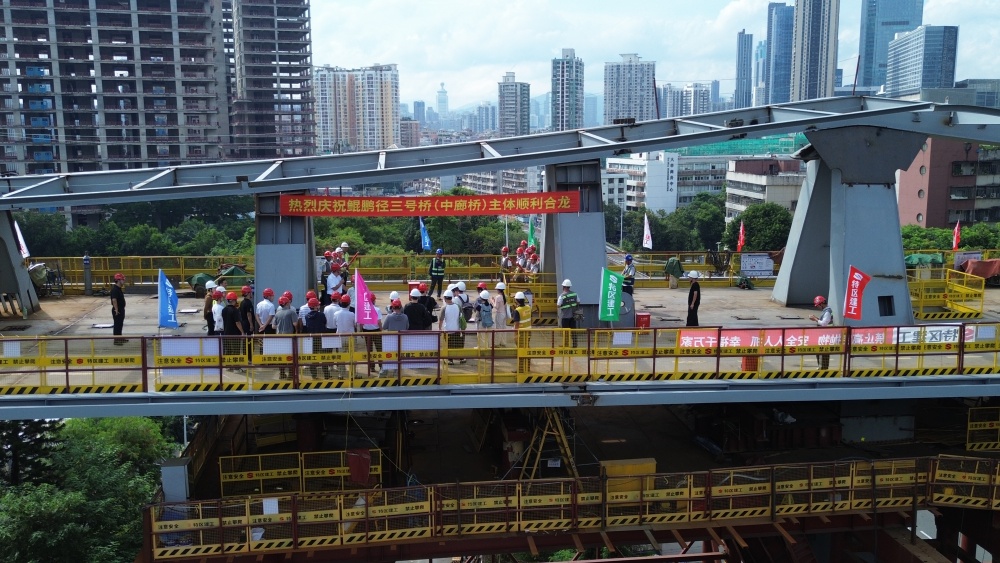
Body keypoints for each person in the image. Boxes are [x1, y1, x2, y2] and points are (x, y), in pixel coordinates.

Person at [302, 297, 331, 379]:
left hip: (312, 339)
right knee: (324, 357)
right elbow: (325, 322)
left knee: (313, 358)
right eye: (317, 305)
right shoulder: (321, 315)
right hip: (321, 338)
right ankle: (326, 375)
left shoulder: (307, 316)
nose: (319, 306)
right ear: (315, 306)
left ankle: (314, 375)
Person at [271, 295, 298, 379]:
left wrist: (280, 326)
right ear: (287, 303)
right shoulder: (291, 312)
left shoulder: (277, 313)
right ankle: (290, 374)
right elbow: (295, 324)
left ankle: (282, 373)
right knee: (290, 356)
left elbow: (273, 326)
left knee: (281, 356)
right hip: (289, 337)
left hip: (279, 337)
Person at [438, 290, 465, 365]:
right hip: (457, 329)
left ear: (445, 298)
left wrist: (439, 329)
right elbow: (461, 316)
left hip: (447, 330)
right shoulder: (458, 306)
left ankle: (450, 360)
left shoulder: (444, 308)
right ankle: (461, 358)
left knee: (448, 346)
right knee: (457, 345)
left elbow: (441, 320)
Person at [221, 291, 245, 370]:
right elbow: (237, 322)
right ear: (233, 300)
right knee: (236, 351)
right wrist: (242, 332)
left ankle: (228, 366)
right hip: (234, 334)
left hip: (226, 333)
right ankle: (236, 368)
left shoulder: (224, 310)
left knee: (228, 350)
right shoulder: (235, 310)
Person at [359, 293, 382, 375]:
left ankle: (372, 367)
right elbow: (379, 322)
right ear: (374, 301)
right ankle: (381, 366)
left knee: (369, 350)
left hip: (366, 331)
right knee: (379, 349)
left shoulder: (363, 309)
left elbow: (361, 322)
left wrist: (361, 331)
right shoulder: (377, 309)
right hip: (376, 331)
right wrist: (381, 330)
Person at [809, 295, 834, 369]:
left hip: (826, 335)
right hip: (823, 334)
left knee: (823, 352)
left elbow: (824, 323)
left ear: (822, 304)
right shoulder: (825, 311)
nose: (818, 307)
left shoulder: (827, 312)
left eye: (818, 306)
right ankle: (821, 367)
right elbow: (824, 321)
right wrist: (816, 318)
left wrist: (815, 319)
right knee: (819, 351)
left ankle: (823, 368)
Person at [511, 291, 533, 372]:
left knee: (521, 351)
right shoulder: (528, 307)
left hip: (521, 334)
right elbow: (531, 319)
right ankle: (527, 367)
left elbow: (516, 324)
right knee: (527, 349)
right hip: (528, 332)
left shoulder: (517, 310)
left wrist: (515, 334)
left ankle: (521, 369)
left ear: (516, 300)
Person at [239, 285, 257, 364]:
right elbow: (249, 314)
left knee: (246, 341)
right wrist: (251, 325)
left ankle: (245, 356)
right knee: (249, 341)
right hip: (247, 324)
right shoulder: (248, 303)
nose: (251, 294)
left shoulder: (242, 302)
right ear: (247, 293)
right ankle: (249, 358)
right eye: (250, 292)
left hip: (243, 323)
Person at [111, 272, 127, 344]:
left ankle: (120, 338)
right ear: (118, 280)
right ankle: (117, 340)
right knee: (117, 325)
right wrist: (116, 309)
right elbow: (114, 300)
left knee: (120, 324)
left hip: (120, 309)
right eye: (122, 280)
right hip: (117, 310)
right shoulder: (115, 290)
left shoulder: (119, 289)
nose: (124, 281)